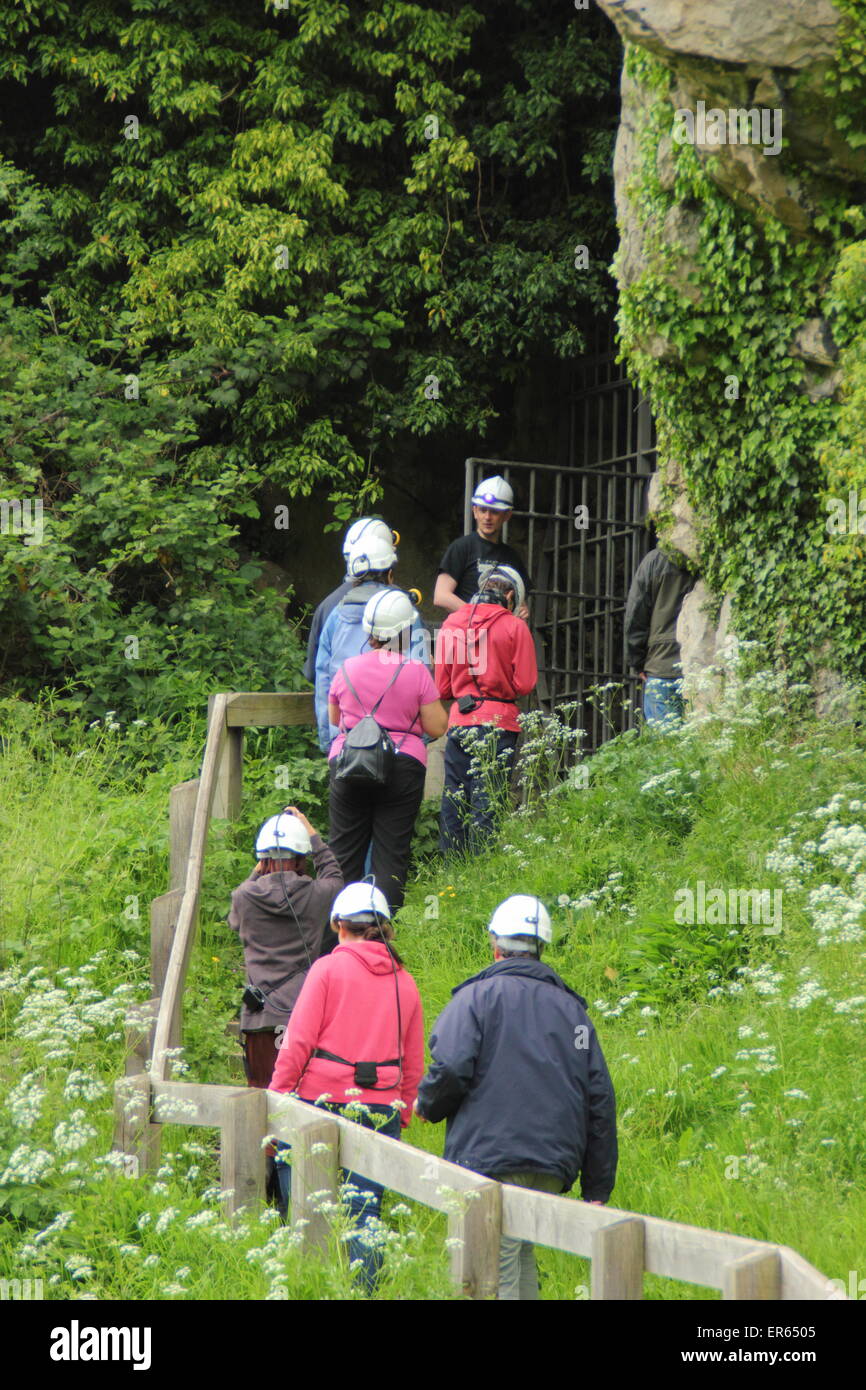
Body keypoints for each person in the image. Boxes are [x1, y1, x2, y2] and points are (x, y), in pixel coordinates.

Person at [414, 895, 617, 1301]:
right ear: (541, 948)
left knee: (492, 1275)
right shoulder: (573, 1013)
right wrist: (597, 1185)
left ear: (495, 946)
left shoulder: (475, 998)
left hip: (491, 1159)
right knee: (520, 1260)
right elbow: (599, 1099)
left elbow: (451, 1066)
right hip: (552, 1165)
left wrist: (428, 1104)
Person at [270, 882, 425, 1292]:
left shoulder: (326, 969)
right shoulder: (404, 982)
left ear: (338, 924)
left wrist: (279, 1099)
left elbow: (298, 1041)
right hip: (381, 1106)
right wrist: (403, 1109)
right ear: (386, 929)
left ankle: (308, 1280)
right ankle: (363, 1289)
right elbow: (413, 1060)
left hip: (319, 1100)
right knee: (365, 1210)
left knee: (302, 1192)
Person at [228, 807, 343, 1210]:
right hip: (302, 1020)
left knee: (263, 1103)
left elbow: (232, 918)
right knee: (299, 1103)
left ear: (261, 858)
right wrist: (314, 835)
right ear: (300, 857)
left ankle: (267, 1200)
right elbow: (336, 878)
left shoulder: (244, 897)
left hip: (260, 1023)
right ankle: (303, 1194)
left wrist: (258, 871)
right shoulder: (317, 894)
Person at [327, 589, 448, 909]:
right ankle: (380, 937)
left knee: (342, 855)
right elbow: (437, 727)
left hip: (348, 763)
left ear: (369, 632)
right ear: (406, 632)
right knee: (390, 856)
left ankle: (335, 935)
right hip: (402, 765)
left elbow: (335, 718)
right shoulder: (416, 672)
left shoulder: (347, 669)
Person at [435, 565, 537, 855]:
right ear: (508, 594)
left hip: (459, 722)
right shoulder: (515, 626)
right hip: (498, 722)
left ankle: (452, 868)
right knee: (488, 799)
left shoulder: (451, 623)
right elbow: (525, 683)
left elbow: (442, 689)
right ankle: (481, 869)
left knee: (454, 796)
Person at [314, 528, 428, 753]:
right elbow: (421, 671)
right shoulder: (405, 613)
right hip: (398, 739)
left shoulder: (335, 616)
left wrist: (328, 739)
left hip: (347, 738)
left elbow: (323, 680)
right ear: (389, 574)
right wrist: (420, 740)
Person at [302, 517, 399, 683]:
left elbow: (314, 673)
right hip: (392, 703)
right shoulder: (400, 603)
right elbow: (420, 666)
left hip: (341, 704)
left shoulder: (328, 607)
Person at [434, 474, 531, 620]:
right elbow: (441, 596)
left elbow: (520, 603)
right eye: (483, 510)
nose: (487, 517)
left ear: (507, 515)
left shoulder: (512, 558)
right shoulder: (462, 547)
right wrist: (478, 616)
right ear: (474, 511)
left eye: (494, 512)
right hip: (467, 635)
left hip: (500, 637)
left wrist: (521, 611)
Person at [624, 547, 696, 726]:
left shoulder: (655, 560)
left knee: (667, 748)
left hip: (661, 665)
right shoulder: (705, 557)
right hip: (699, 665)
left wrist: (637, 661)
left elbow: (636, 613)